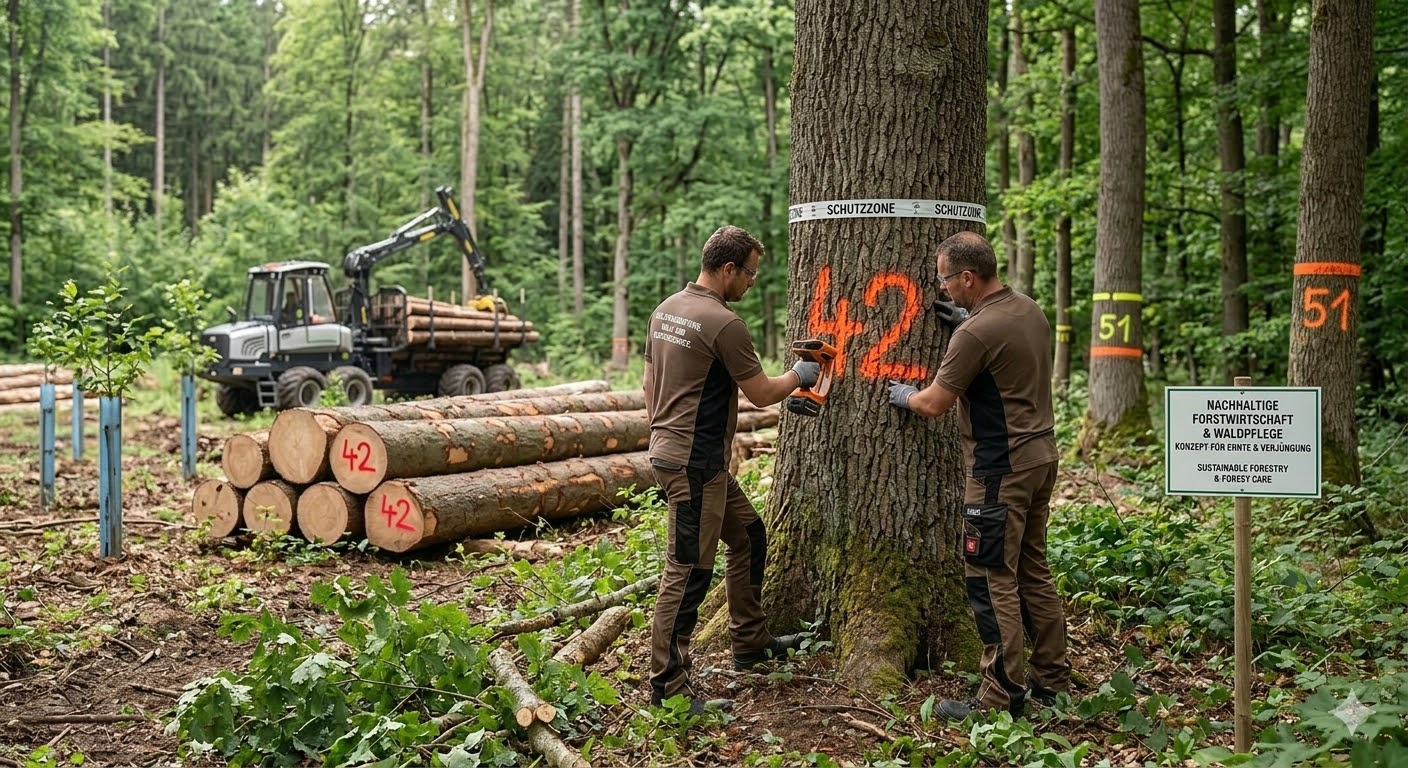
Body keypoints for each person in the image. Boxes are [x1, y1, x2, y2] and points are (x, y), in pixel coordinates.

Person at [886, 231, 1070, 719]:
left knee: (991, 578)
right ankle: (1051, 679)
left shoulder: (974, 333)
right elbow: (1003, 358)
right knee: (1032, 569)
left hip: (999, 470)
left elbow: (933, 403)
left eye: (945, 279)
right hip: (1041, 458)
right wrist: (969, 320)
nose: (941, 288)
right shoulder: (1028, 309)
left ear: (967, 277)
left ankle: (1000, 697)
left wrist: (903, 394)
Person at [643, 225, 820, 715]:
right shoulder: (724, 323)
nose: (750, 283)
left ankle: (749, 642)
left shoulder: (666, 311)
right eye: (749, 274)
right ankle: (668, 687)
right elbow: (762, 392)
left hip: (678, 454)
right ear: (727, 270)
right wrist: (799, 376)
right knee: (688, 571)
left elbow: (649, 380)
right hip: (694, 464)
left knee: (748, 535)